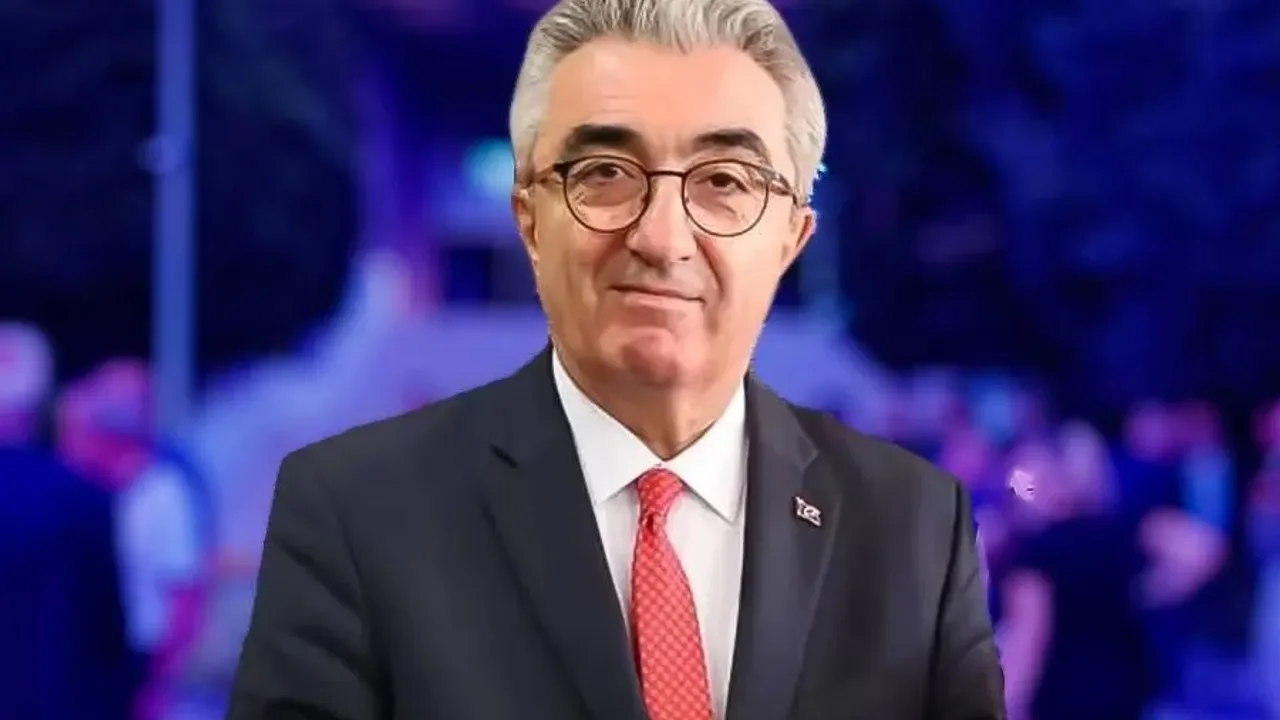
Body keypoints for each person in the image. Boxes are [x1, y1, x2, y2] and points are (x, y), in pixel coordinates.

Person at [227, 1, 1005, 718]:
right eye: (605, 175)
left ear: (790, 238)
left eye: (724, 181)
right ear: (530, 219)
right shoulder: (357, 518)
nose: (662, 237)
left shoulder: (912, 529)